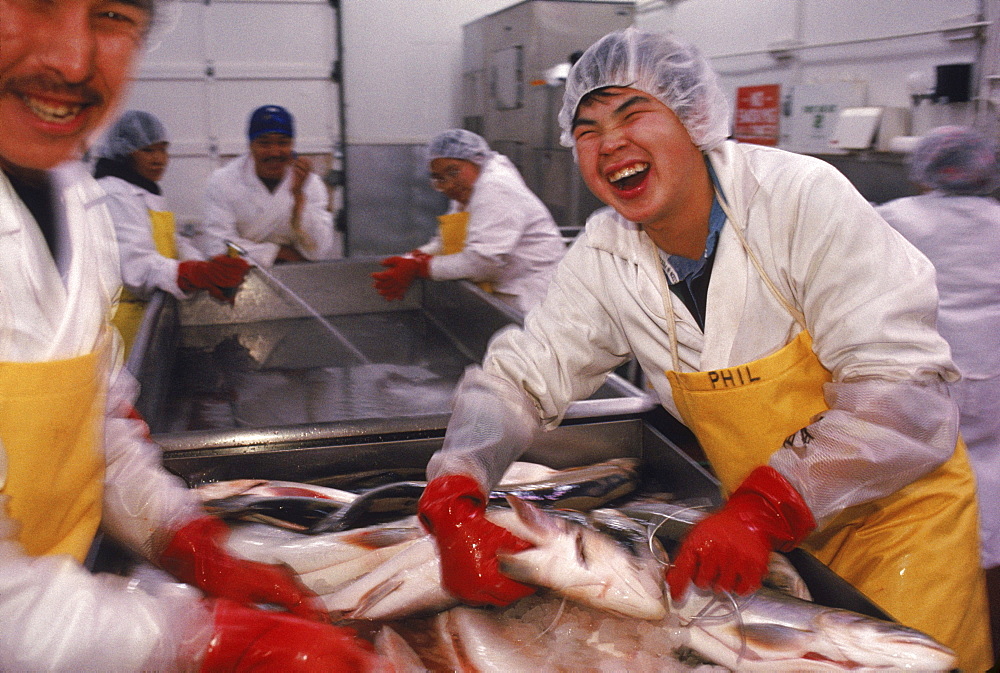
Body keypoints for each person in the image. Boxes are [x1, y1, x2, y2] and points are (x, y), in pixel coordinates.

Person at [414, 27, 991, 670]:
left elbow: (902, 388)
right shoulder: (606, 252)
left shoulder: (798, 199)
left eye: (634, 113)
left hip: (897, 525)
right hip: (776, 542)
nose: (611, 143)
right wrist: (459, 482)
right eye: (587, 129)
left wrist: (763, 507)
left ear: (694, 119)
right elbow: (522, 376)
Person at [0, 0, 386, 669]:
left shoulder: (75, 197)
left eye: (113, 15)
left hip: (69, 598)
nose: (72, 57)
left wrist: (180, 533)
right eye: (37, 2)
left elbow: (95, 419)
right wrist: (190, 637)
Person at [876, 124, 1000, 656]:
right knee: (989, 476)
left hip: (922, 379)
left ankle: (921, 627)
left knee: (923, 489)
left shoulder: (896, 218)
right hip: (993, 381)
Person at [94, 110, 250, 355]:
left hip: (146, 321)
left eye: (163, 149)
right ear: (124, 152)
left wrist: (206, 266)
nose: (159, 159)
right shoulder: (113, 193)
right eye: (148, 150)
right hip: (121, 330)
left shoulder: (142, 189)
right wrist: (195, 273)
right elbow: (137, 269)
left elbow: (170, 241)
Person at [372, 129, 565, 314]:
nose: (448, 184)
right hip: (510, 294)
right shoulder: (469, 189)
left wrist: (420, 267)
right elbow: (444, 242)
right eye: (439, 179)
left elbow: (483, 263)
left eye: (453, 172)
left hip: (535, 300)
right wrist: (413, 257)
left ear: (477, 161)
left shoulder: (496, 188)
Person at [199, 104, 337, 266]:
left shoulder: (310, 183)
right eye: (264, 143)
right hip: (241, 276)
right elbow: (217, 247)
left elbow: (319, 249)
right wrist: (276, 253)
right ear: (251, 145)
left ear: (292, 144)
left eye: (282, 142)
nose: (274, 152)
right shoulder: (223, 181)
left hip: (298, 277)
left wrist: (298, 198)